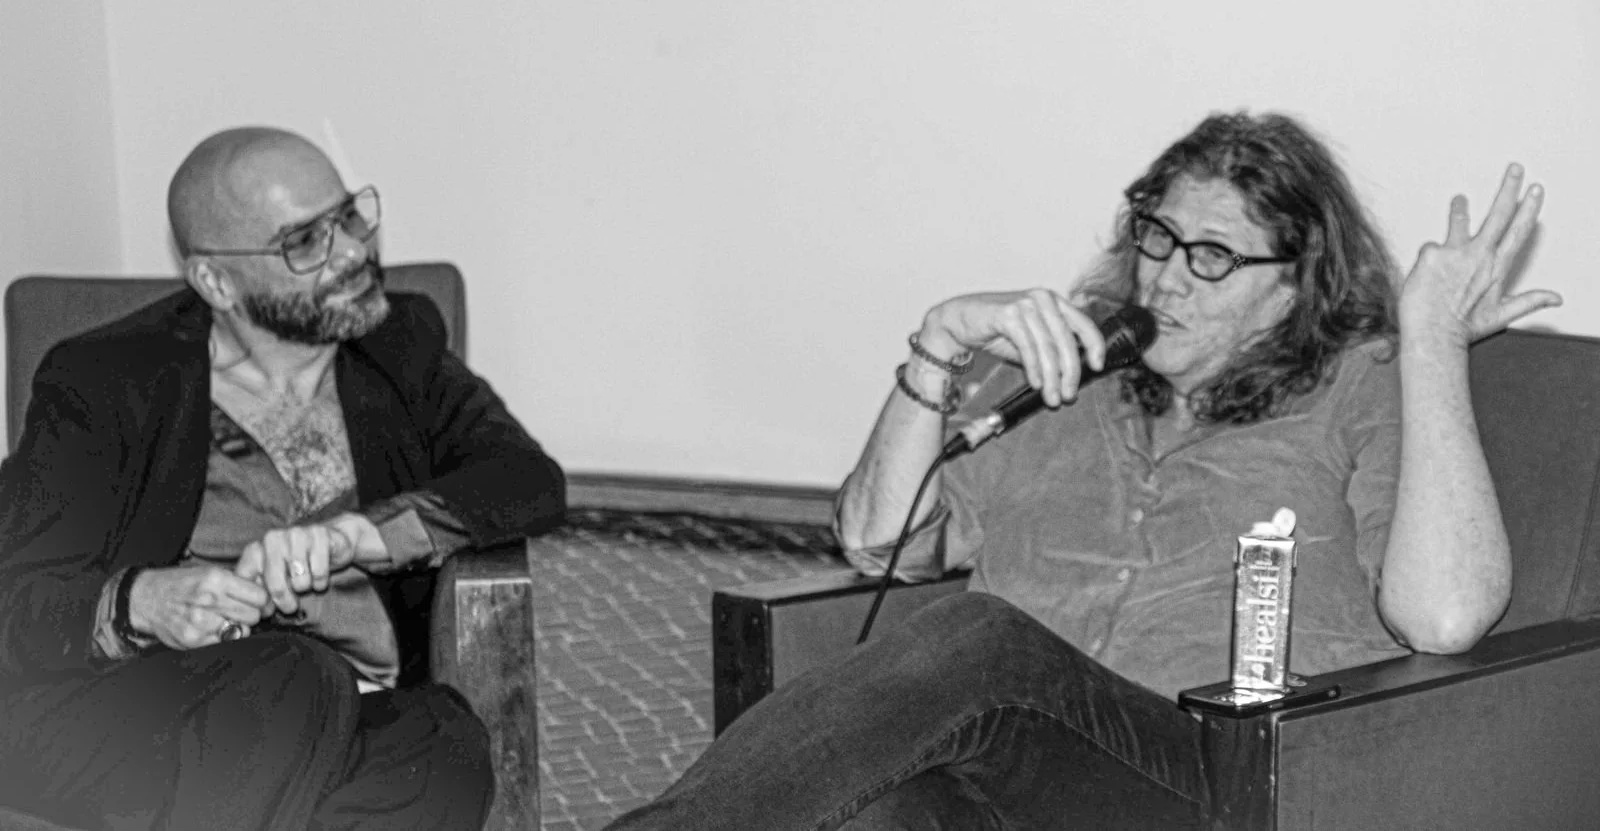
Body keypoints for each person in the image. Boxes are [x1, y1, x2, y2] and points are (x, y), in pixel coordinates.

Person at [608, 112, 1562, 830]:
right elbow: (873, 537)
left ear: (1292, 286)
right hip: (1021, 783)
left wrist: (1430, 343)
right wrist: (938, 344)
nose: (1166, 277)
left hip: (1216, 782)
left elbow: (1445, 617)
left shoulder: (1358, 384)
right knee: (882, 812)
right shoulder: (1061, 377)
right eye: (1157, 236)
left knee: (982, 636)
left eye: (1213, 256)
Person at [0, 128, 566, 830]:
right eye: (305, 241)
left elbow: (525, 480)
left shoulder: (398, 343)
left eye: (349, 215)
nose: (353, 251)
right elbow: (14, 591)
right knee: (295, 676)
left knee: (443, 742)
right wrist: (140, 602)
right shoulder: (110, 384)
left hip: (344, 713)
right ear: (216, 282)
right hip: (144, 713)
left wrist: (355, 537)